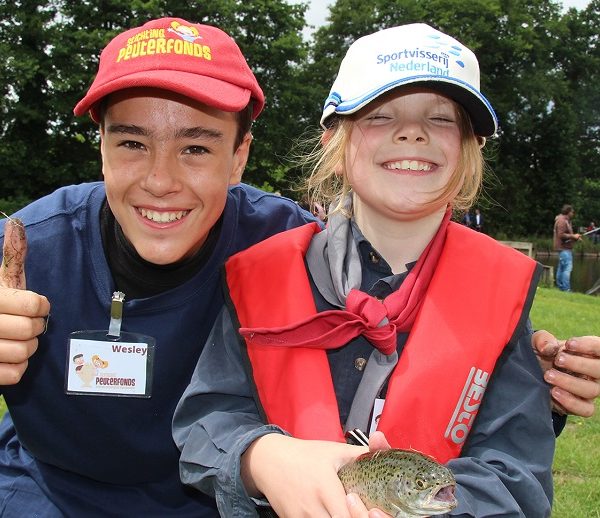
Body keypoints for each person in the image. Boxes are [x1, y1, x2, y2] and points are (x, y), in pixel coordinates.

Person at [173, 23, 600, 517]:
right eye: (380, 115)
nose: (412, 131)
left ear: (468, 150)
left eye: (440, 118)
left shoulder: (499, 293)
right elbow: (207, 421)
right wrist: (262, 457)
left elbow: (517, 471)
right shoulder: (258, 277)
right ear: (335, 142)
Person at [0, 17, 318, 517]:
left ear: (239, 157)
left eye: (195, 148)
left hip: (219, 501)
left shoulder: (292, 245)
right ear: (100, 147)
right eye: (132, 143)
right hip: (49, 491)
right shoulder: (24, 249)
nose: (160, 180)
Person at [553, 204, 581, 291]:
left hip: (564, 248)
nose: (573, 213)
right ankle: (566, 289)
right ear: (568, 212)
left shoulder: (565, 220)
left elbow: (566, 235)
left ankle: (561, 287)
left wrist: (576, 238)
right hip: (564, 249)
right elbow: (561, 235)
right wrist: (573, 236)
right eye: (572, 212)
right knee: (567, 269)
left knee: (561, 268)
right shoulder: (562, 221)